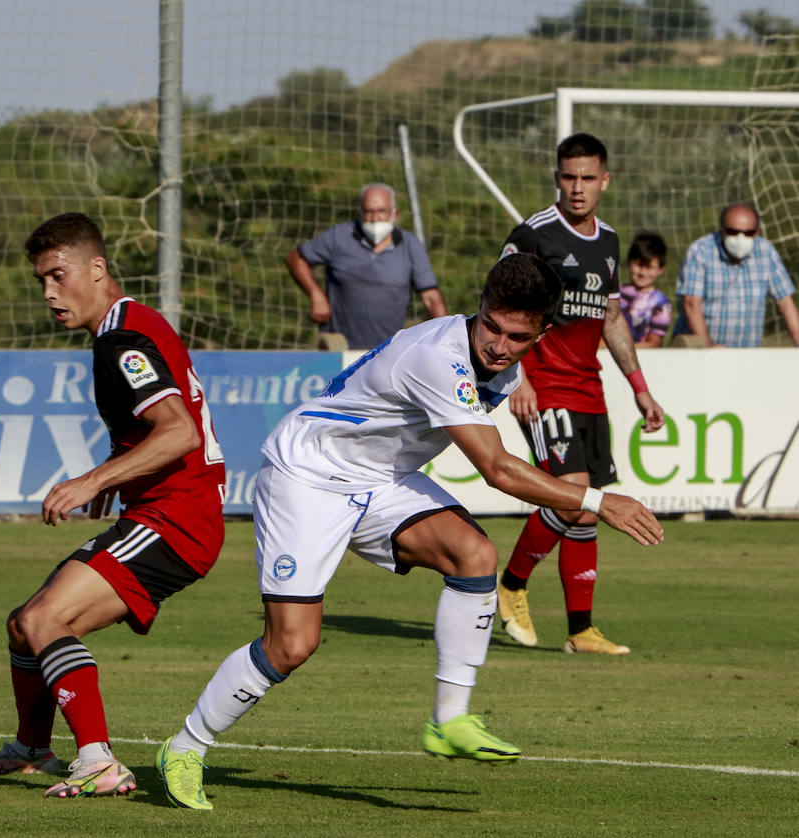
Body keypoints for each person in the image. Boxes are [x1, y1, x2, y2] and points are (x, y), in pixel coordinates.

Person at [154, 254, 664, 810]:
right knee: (292, 643)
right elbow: (496, 469)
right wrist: (598, 499)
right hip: (308, 474)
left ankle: (449, 719)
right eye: (490, 325)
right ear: (479, 308)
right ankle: (185, 747)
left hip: (380, 479)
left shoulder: (505, 369)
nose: (497, 344)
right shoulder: (437, 358)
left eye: (515, 336)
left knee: (474, 554)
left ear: (540, 332)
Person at [0, 212, 226, 799]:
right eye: (41, 281)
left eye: (59, 274)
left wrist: (91, 480)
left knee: (43, 620)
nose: (50, 292)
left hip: (177, 520)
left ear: (97, 269)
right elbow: (152, 429)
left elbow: (178, 434)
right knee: (24, 626)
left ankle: (98, 760)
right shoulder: (128, 326)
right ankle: (31, 751)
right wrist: (116, 479)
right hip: (166, 513)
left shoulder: (122, 340)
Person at [496, 133, 664, 657]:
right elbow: (498, 303)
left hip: (588, 388)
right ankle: (511, 583)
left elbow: (611, 317)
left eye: (587, 178)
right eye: (568, 177)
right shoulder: (533, 235)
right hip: (543, 388)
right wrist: (517, 376)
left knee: (588, 510)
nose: (577, 188)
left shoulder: (610, 241)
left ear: (604, 181)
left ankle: (581, 630)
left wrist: (640, 388)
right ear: (557, 179)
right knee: (575, 492)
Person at [285, 182, 447, 350]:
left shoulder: (411, 245)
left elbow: (431, 298)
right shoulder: (340, 236)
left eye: (381, 211)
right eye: (369, 211)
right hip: (338, 346)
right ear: (360, 213)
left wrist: (444, 338)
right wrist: (316, 295)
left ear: (395, 214)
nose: (375, 218)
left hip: (388, 349)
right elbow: (295, 259)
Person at [676, 203, 799, 347]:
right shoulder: (700, 251)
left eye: (748, 233)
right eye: (733, 232)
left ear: (756, 232)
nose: (741, 238)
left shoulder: (766, 251)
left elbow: (785, 302)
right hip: (700, 353)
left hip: (746, 354)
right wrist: (707, 347)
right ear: (721, 231)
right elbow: (691, 303)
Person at [619, 232, 672, 348]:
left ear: (661, 269)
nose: (642, 273)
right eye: (638, 265)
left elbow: (653, 344)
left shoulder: (661, 304)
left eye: (649, 267)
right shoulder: (615, 292)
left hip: (640, 359)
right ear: (629, 262)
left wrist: (620, 348)